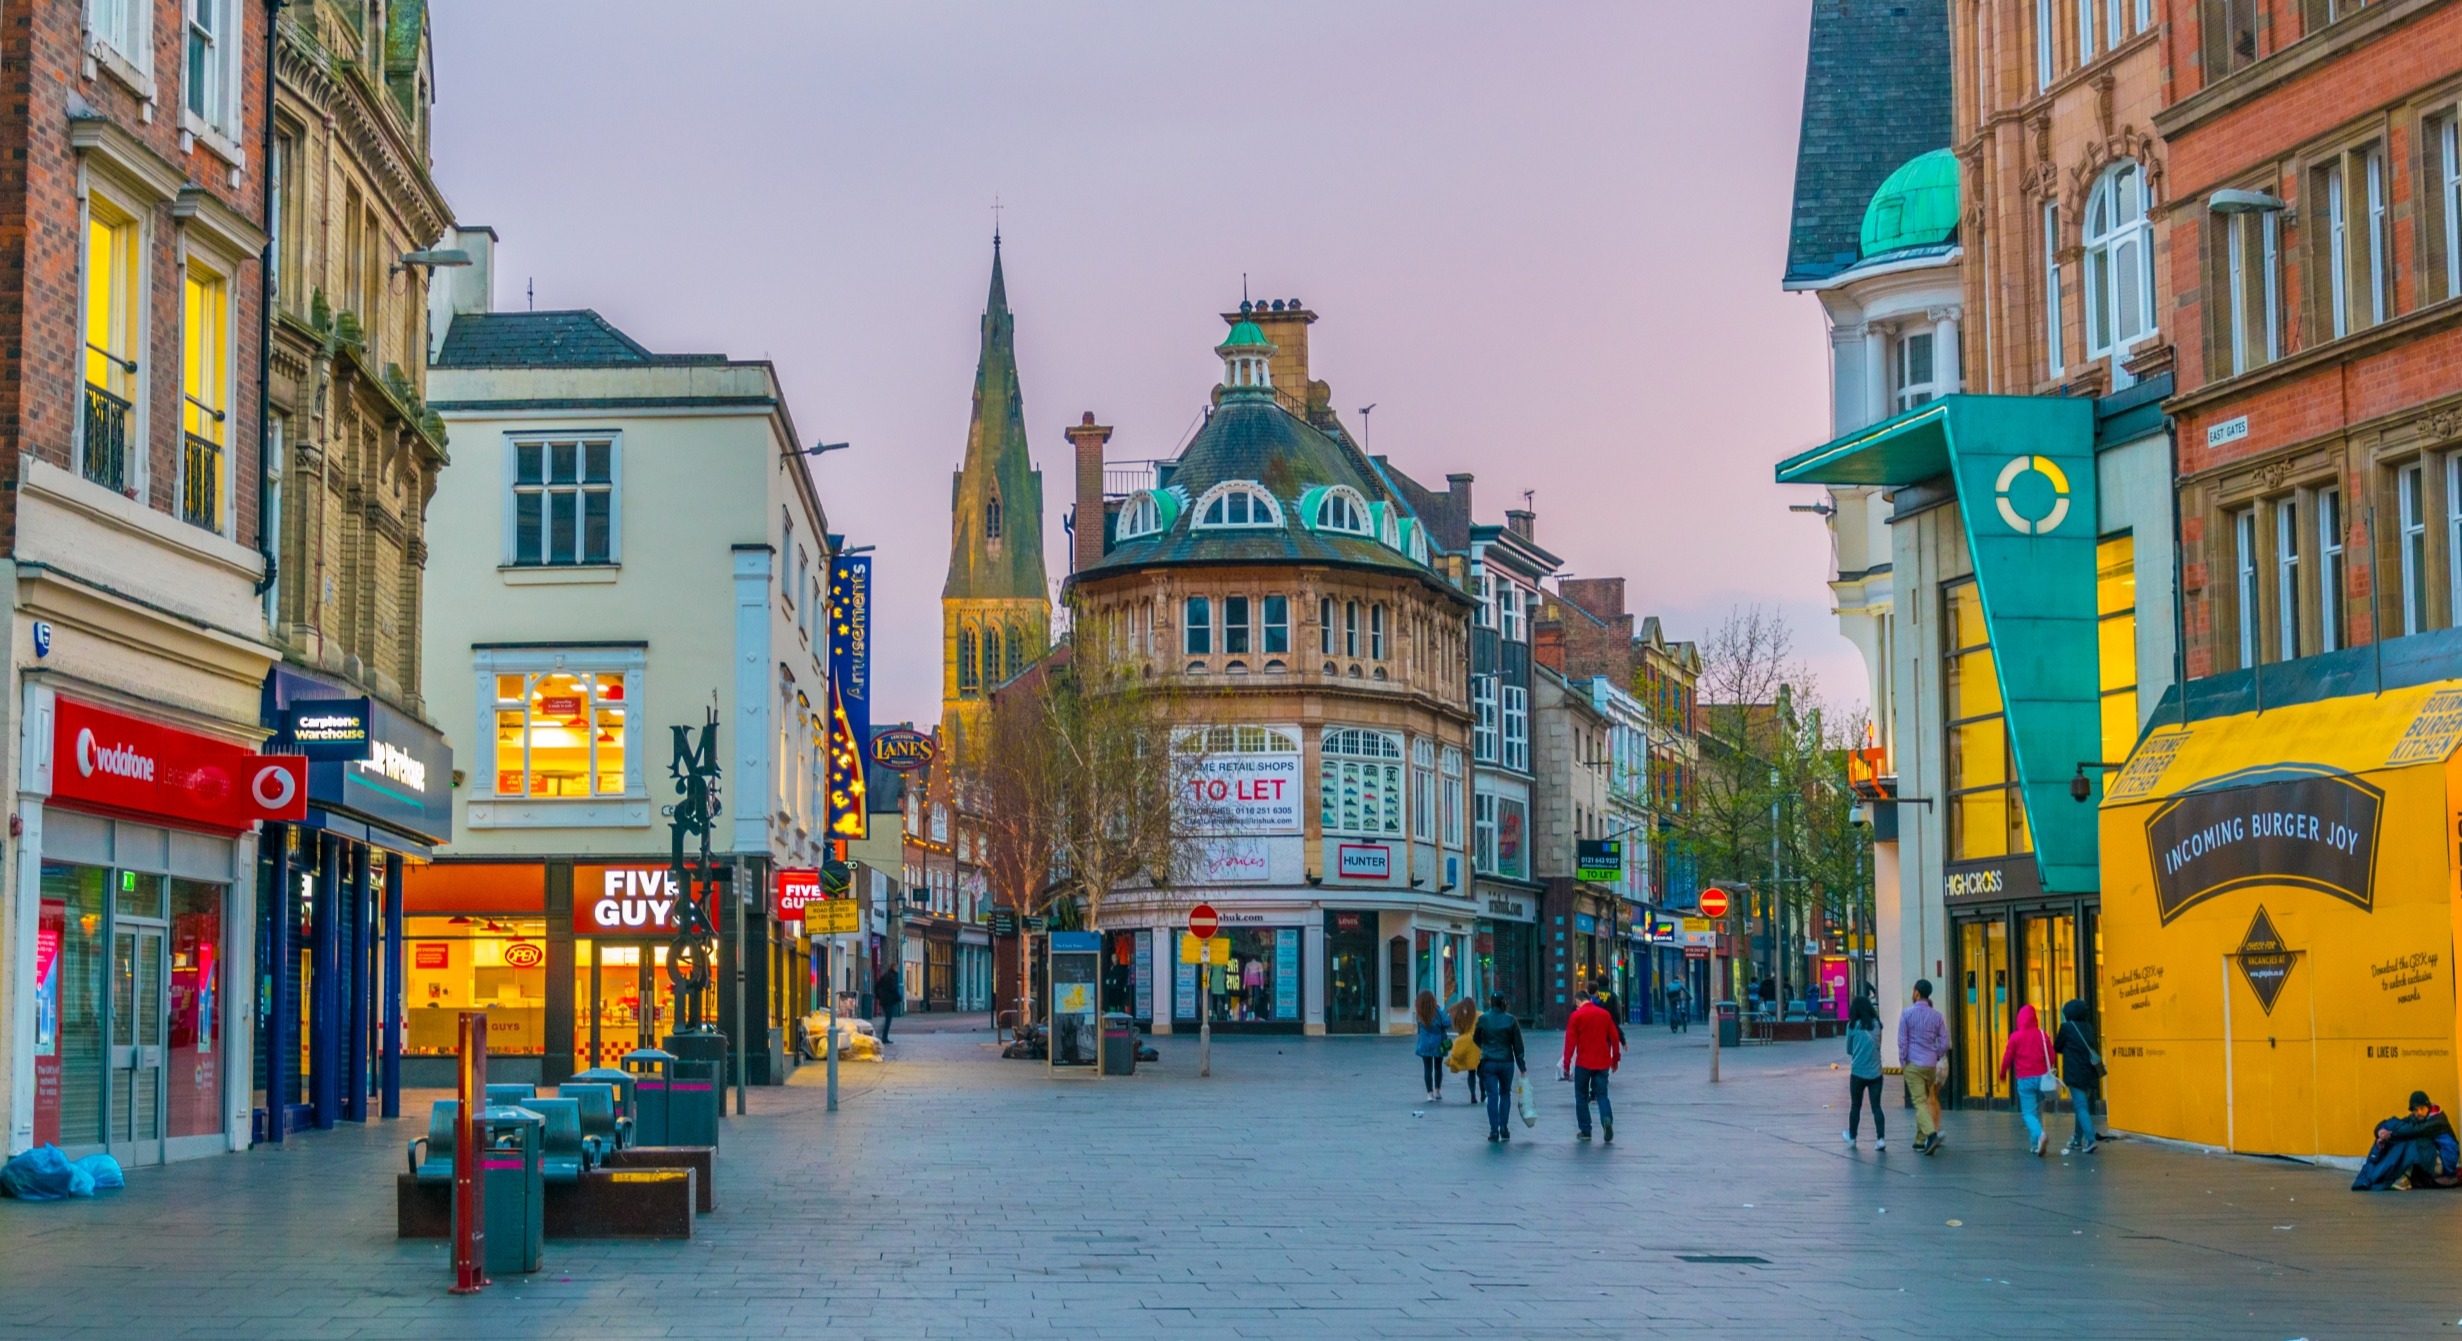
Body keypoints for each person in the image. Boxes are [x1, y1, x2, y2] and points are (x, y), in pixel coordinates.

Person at [2354, 1091, 2462, 1191]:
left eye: (2421, 1108)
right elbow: (2397, 1123)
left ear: (2428, 1107)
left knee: (2414, 1141)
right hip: (2431, 1160)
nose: (2418, 1112)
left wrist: (2388, 1136)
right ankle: (2369, 1176)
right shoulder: (2416, 1118)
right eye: (2415, 1110)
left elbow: (2413, 1131)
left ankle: (2405, 1176)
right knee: (2397, 1133)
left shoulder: (2437, 1121)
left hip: (2444, 1164)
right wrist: (2380, 1131)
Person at [1561, 985, 1623, 1142]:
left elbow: (1570, 1043)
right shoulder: (1604, 1014)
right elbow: (1614, 1038)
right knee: (1602, 1095)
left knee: (1581, 1096)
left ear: (1578, 1001)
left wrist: (1566, 1065)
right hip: (1602, 1062)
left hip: (1584, 1062)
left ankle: (1586, 1130)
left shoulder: (1576, 1016)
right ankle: (1606, 1119)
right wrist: (1615, 1060)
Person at [1898, 979, 1950, 1155]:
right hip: (1930, 1065)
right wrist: (1936, 1054)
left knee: (1919, 1102)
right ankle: (1919, 1141)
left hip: (1913, 1064)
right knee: (1925, 1099)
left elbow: (1902, 1041)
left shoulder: (1906, 1014)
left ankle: (1930, 1135)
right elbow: (1944, 1042)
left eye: (1913, 990)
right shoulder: (1936, 1016)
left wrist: (1903, 1062)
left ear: (1917, 993)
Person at [1999, 1003, 2055, 1156]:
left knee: (2028, 1113)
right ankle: (2035, 1144)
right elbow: (2052, 1056)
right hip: (2042, 1079)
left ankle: (2040, 1135)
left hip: (2025, 1079)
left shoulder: (2015, 1037)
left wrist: (2003, 1073)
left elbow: (2008, 1057)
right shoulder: (2043, 1035)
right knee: (2037, 1110)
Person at [1473, 993, 1527, 1143]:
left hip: (1489, 1061)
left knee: (1492, 1095)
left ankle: (1493, 1130)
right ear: (1503, 1003)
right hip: (1506, 1062)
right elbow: (1518, 1045)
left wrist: (1485, 1047)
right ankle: (1504, 1126)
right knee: (1505, 1093)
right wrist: (1521, 1065)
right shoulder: (1511, 1020)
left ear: (1491, 1002)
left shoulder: (1483, 1019)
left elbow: (1476, 1038)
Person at [2055, 999, 2103, 1154]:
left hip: (2074, 1073)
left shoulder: (2066, 1028)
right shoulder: (2088, 1027)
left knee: (2081, 1106)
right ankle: (2077, 1139)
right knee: (2081, 1106)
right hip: (2089, 1073)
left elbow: (2057, 1046)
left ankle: (2090, 1140)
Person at [1842, 996, 1885, 1150]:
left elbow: (1849, 1049)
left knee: (1855, 1106)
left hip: (1858, 1072)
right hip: (1876, 1072)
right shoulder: (1877, 1025)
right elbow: (1879, 1045)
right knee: (1876, 1107)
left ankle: (1852, 1137)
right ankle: (1880, 1139)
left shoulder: (1852, 1025)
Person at [1413, 990, 1450, 1102]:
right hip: (1438, 1043)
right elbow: (1447, 1023)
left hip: (1425, 1044)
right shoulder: (1438, 1011)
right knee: (1438, 1067)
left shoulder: (1420, 1013)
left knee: (1427, 1069)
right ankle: (1437, 1090)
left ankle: (1429, 1094)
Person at [1449, 997, 1482, 1100]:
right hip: (1478, 1045)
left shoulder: (1461, 1016)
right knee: (1482, 1073)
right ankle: (1483, 1094)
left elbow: (1459, 1029)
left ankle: (1473, 1095)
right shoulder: (1480, 1015)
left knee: (1471, 1072)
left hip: (1466, 1045)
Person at [873, 965, 904, 1045]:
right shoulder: (892, 977)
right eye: (897, 968)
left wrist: (878, 996)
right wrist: (899, 998)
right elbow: (894, 989)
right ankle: (884, 1037)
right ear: (894, 968)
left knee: (887, 1018)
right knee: (888, 1019)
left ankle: (882, 1035)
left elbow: (877, 985)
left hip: (884, 1000)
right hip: (890, 1001)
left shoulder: (885, 976)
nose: (898, 970)